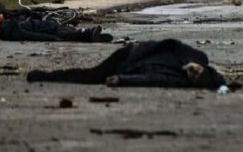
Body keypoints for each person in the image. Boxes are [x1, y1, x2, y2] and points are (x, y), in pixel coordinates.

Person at [26, 39, 227, 90]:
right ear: (202, 67)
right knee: (92, 76)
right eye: (196, 71)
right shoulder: (196, 55)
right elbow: (171, 43)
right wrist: (188, 61)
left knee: (93, 77)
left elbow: (151, 80)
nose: (191, 72)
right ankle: (45, 75)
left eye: (193, 77)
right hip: (130, 55)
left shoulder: (180, 80)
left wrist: (122, 80)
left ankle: (45, 75)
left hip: (128, 67)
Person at [0, 10, 111, 43]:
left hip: (48, 25)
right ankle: (89, 33)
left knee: (68, 31)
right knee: (65, 34)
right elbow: (32, 35)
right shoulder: (11, 31)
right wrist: (51, 38)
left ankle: (90, 36)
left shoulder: (10, 24)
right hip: (49, 31)